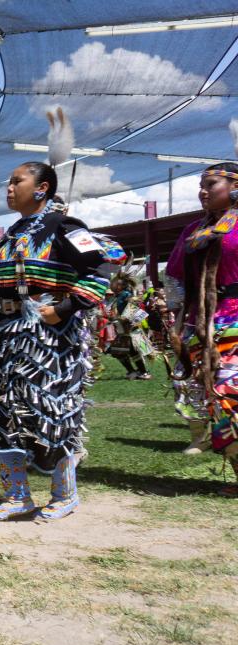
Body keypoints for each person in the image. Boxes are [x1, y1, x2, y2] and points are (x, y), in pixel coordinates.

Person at [0, 161, 126, 521]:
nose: (9, 188)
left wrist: (65, 308)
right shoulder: (13, 231)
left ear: (42, 188)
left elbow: (101, 268)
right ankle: (17, 496)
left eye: (17, 181)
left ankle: (64, 494)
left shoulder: (64, 226)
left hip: (48, 338)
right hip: (5, 335)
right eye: (9, 182)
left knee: (50, 410)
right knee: (1, 409)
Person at [166, 163, 238, 488]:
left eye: (211, 184)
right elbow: (176, 274)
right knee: (215, 402)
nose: (203, 191)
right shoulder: (193, 230)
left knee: (229, 392)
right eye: (201, 185)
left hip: (235, 316)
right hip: (204, 324)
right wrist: (174, 315)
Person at [107, 274, 153, 380]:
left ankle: (142, 372)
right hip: (122, 328)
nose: (112, 284)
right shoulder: (118, 296)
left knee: (129, 351)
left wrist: (125, 319)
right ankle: (134, 371)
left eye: (114, 283)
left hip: (129, 328)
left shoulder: (126, 294)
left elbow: (136, 305)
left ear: (120, 285)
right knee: (119, 351)